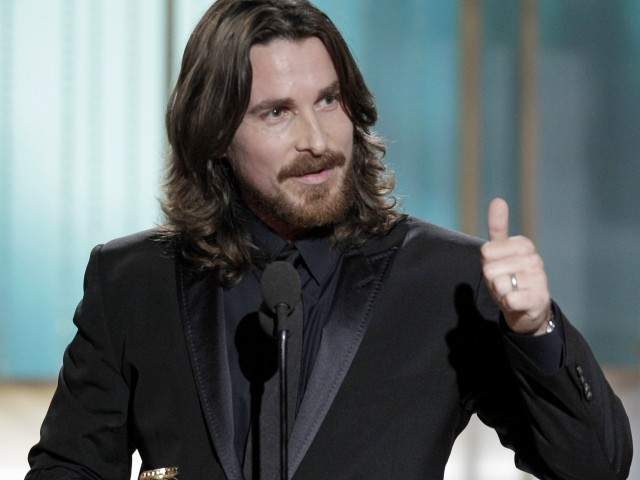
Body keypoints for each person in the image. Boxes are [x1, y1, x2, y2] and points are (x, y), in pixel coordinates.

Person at [26, 1, 632, 479]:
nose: (317, 140)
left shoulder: (446, 280)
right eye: (277, 112)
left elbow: (595, 467)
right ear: (215, 135)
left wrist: (536, 330)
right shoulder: (134, 282)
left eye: (328, 100)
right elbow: (69, 468)